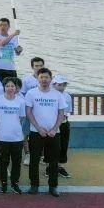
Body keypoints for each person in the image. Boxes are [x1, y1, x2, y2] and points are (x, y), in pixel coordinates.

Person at [26, 67, 66, 197]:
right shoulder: (31, 93)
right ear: (37, 78)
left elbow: (61, 113)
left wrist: (54, 129)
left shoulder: (57, 95)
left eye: (46, 77)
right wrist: (38, 128)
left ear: (51, 79)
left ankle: (53, 186)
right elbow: (28, 112)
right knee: (34, 160)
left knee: (54, 161)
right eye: (41, 77)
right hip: (36, 132)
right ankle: (34, 185)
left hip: (53, 133)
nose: (44, 79)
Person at [0, 77, 26, 194]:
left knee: (16, 161)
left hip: (17, 136)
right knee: (3, 161)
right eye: (7, 86)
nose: (10, 88)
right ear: (4, 87)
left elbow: (22, 118)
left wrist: (15, 126)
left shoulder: (21, 101)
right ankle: (3, 183)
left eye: (12, 86)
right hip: (2, 136)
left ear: (16, 88)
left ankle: (14, 183)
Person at [54, 75, 73, 178]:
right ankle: (50, 167)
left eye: (64, 85)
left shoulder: (67, 96)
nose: (62, 87)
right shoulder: (50, 95)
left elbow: (67, 111)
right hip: (52, 125)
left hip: (64, 123)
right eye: (59, 85)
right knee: (52, 146)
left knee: (63, 145)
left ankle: (60, 167)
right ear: (54, 84)